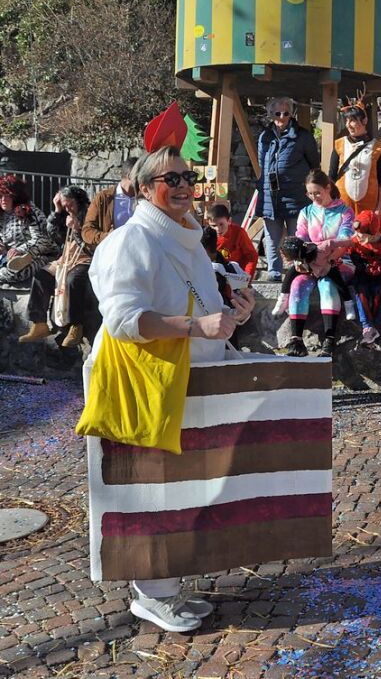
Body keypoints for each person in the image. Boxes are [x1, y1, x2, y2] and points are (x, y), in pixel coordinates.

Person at [86, 145, 256, 631]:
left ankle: (167, 586)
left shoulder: (186, 238)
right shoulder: (129, 241)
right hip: (143, 383)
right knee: (148, 489)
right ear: (143, 188)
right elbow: (124, 320)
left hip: (184, 380)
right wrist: (195, 327)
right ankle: (151, 593)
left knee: (182, 487)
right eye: (170, 179)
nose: (183, 187)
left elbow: (201, 304)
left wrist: (230, 317)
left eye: (188, 177)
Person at [280, 170, 355, 357]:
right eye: (310, 194)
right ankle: (296, 340)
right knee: (297, 284)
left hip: (337, 261)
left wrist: (329, 259)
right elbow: (301, 238)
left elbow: (345, 239)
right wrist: (302, 259)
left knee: (327, 285)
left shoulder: (344, 211)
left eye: (318, 193)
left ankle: (330, 339)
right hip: (310, 263)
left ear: (328, 187)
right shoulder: (306, 212)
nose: (314, 197)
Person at [19, 186, 97, 348]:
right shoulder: (65, 214)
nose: (68, 209)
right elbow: (55, 237)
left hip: (85, 260)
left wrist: (77, 229)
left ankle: (76, 326)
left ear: (79, 202)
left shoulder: (90, 215)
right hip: (65, 259)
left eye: (70, 205)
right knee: (41, 275)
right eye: (64, 205)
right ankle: (39, 323)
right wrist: (57, 211)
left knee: (73, 280)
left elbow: (90, 244)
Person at [256, 96, 319, 281]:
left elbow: (314, 164)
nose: (282, 116)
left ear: (291, 114)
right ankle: (274, 271)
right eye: (277, 113)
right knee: (271, 237)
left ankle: (296, 270)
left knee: (297, 236)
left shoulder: (303, 136)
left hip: (296, 195)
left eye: (286, 113)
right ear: (270, 114)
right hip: (270, 196)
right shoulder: (264, 137)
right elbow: (262, 164)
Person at [328, 102, 381, 218]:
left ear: (364, 121)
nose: (348, 125)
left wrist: (380, 207)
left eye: (352, 120)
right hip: (342, 205)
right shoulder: (339, 144)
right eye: (346, 121)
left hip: (369, 205)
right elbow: (331, 176)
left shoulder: (377, 147)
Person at [348, 209, 381, 345]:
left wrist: (380, 266)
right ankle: (367, 325)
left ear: (375, 233)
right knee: (361, 290)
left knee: (378, 290)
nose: (359, 237)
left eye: (363, 235)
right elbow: (354, 259)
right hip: (362, 272)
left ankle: (376, 323)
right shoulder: (355, 242)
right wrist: (363, 266)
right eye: (358, 234)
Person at [0, 174, 58, 287]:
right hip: (9, 258)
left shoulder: (29, 211)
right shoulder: (1, 216)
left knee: (17, 271)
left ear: (16, 196)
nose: (3, 200)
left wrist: (20, 250)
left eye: (7, 196)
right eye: (1, 195)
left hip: (38, 255)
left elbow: (42, 240)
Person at [82, 157, 137, 249]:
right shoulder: (103, 198)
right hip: (111, 255)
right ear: (130, 175)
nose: (147, 179)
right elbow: (87, 231)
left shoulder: (146, 199)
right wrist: (107, 236)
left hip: (138, 255)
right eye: (142, 175)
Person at [208, 204, 258, 281]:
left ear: (229, 221)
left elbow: (251, 256)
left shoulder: (238, 233)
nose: (218, 229)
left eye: (221, 224)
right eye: (214, 226)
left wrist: (247, 277)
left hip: (237, 276)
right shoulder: (207, 235)